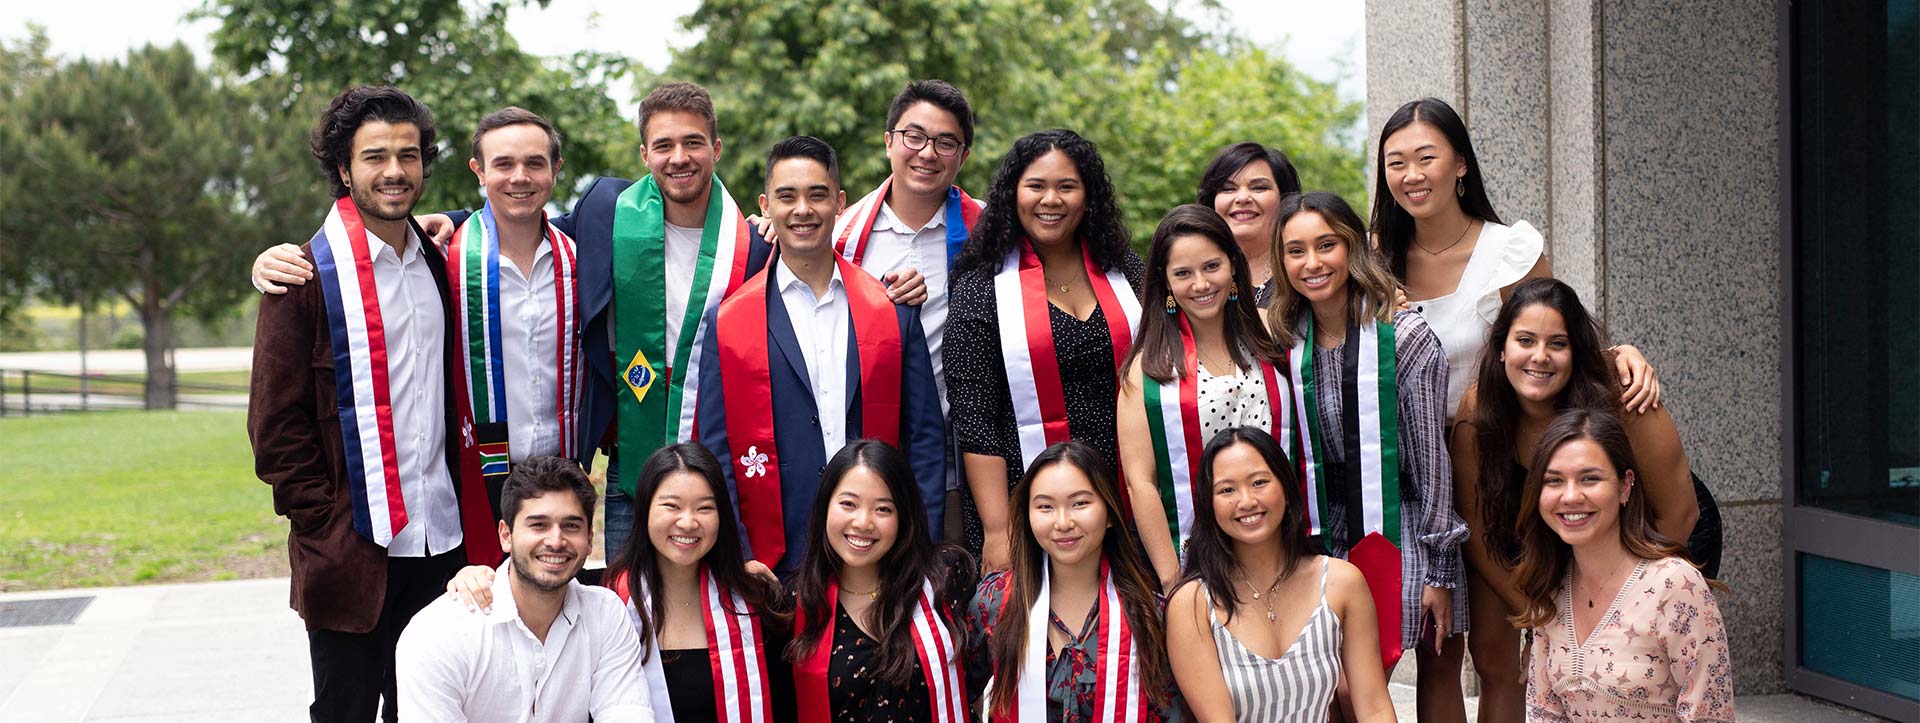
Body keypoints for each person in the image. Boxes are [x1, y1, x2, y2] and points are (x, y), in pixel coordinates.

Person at [250, 83, 781, 560]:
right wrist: (270, 261)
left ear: (556, 170)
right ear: (478, 171)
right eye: (503, 164)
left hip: (588, 478)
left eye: (535, 164)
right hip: (474, 488)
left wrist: (771, 224)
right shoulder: (446, 258)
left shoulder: (597, 243)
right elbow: (368, 259)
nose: (520, 177)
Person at [247, 85, 490, 722]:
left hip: (443, 545)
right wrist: (324, 522)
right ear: (343, 168)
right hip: (354, 552)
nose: (394, 171)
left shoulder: (439, 264)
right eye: (375, 156)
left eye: (408, 156)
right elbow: (274, 429)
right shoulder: (302, 277)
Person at [1452, 278, 1703, 722]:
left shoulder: (1622, 394)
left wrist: (1616, 603)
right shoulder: (1481, 411)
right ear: (1500, 349)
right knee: (1499, 649)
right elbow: (1474, 527)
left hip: (1652, 533)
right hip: (1545, 531)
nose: (1539, 357)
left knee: (1630, 673)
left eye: (1558, 343)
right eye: (1525, 340)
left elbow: (1680, 513)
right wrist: (1541, 613)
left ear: (1577, 351)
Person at [697, 136, 946, 579]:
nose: (803, 210)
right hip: (778, 558)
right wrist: (738, 554)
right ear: (766, 205)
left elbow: (924, 439)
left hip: (881, 551)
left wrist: (920, 548)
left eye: (817, 195)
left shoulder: (890, 309)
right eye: (786, 196)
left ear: (840, 202)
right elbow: (715, 450)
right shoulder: (729, 320)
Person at [442, 443, 797, 722]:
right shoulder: (601, 598)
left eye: (704, 508)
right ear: (644, 512)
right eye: (671, 506)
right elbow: (530, 584)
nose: (688, 522)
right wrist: (474, 575)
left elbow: (786, 708)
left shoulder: (754, 600)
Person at [1268, 191, 1465, 683]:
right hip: (1313, 529)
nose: (1312, 263)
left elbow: (1432, 463)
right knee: (1329, 688)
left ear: (1352, 246)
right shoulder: (1278, 340)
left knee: (1431, 681)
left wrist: (1439, 572)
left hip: (1403, 523)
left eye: (1326, 245)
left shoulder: (1404, 336)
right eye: (1295, 251)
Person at [1368, 97, 1659, 421]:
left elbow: (1558, 344)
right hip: (1396, 461)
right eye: (1396, 163)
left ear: (1461, 163)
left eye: (1426, 158)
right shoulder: (1371, 260)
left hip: (1485, 449)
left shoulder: (1509, 253)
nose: (1412, 175)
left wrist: (1620, 355)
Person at [945, 128, 1145, 572]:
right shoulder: (981, 288)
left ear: (1088, 197)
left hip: (1128, 489)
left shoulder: (1127, 270)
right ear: (1013, 194)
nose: (1050, 199)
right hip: (1027, 500)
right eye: (1036, 186)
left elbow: (1174, 312)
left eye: (1066, 187)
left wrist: (1226, 296)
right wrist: (999, 530)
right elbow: (975, 417)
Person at [1511, 410, 1733, 722]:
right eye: (1554, 481)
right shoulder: (1550, 588)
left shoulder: (1675, 585)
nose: (1571, 496)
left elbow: (1709, 716)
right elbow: (1543, 714)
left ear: (1625, 486)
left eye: (1590, 478)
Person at [1117, 204, 1295, 590]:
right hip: (1198, 559)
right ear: (1165, 282)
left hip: (1285, 543)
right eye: (1183, 273)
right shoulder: (1147, 369)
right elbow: (1140, 481)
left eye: (1211, 266)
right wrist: (1172, 579)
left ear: (1233, 265)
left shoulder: (1275, 334)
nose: (1200, 284)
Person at [396, 457, 654, 721]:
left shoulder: (605, 615)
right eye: (538, 525)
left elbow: (627, 713)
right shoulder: (439, 633)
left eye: (571, 526)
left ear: (589, 540)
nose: (556, 541)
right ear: (506, 535)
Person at [1166, 427, 1394, 723]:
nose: (1246, 501)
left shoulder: (1342, 582)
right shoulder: (1192, 604)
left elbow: (1374, 708)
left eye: (1259, 482)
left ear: (1285, 488)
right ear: (1209, 505)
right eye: (1227, 490)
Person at [965, 440, 1178, 722]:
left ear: (1110, 514)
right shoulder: (993, 603)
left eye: (1080, 503)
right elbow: (954, 696)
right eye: (1045, 507)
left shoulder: (1150, 613)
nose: (1063, 522)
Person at [786, 440, 975, 723]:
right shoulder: (798, 603)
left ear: (904, 516)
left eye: (883, 509)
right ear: (825, 506)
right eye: (848, 504)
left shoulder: (944, 578)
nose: (863, 522)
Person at [1194, 142, 1302, 307]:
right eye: (1229, 189)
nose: (1242, 198)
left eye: (1259, 188)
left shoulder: (1304, 268)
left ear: (1284, 197)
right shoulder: (1194, 271)